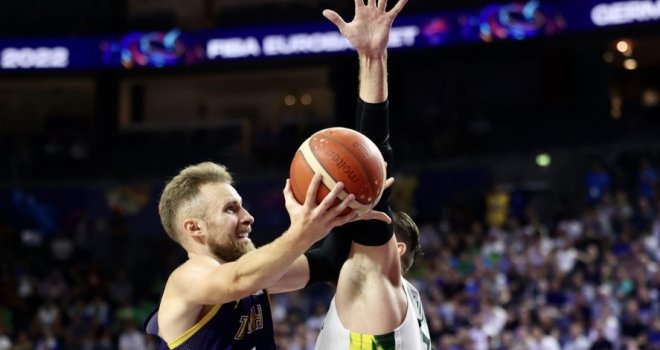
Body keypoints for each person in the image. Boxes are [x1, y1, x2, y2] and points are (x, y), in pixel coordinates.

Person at [144, 162, 390, 349]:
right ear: (194, 228)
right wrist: (303, 232)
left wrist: (346, 206)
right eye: (231, 209)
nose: (248, 217)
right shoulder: (186, 280)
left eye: (242, 206)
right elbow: (238, 280)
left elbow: (328, 263)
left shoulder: (256, 279)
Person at [313, 0, 432, 348]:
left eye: (375, 228)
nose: (355, 220)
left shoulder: (374, 284)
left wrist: (372, 59)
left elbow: (372, 167)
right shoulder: (382, 291)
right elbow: (262, 278)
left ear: (393, 251)